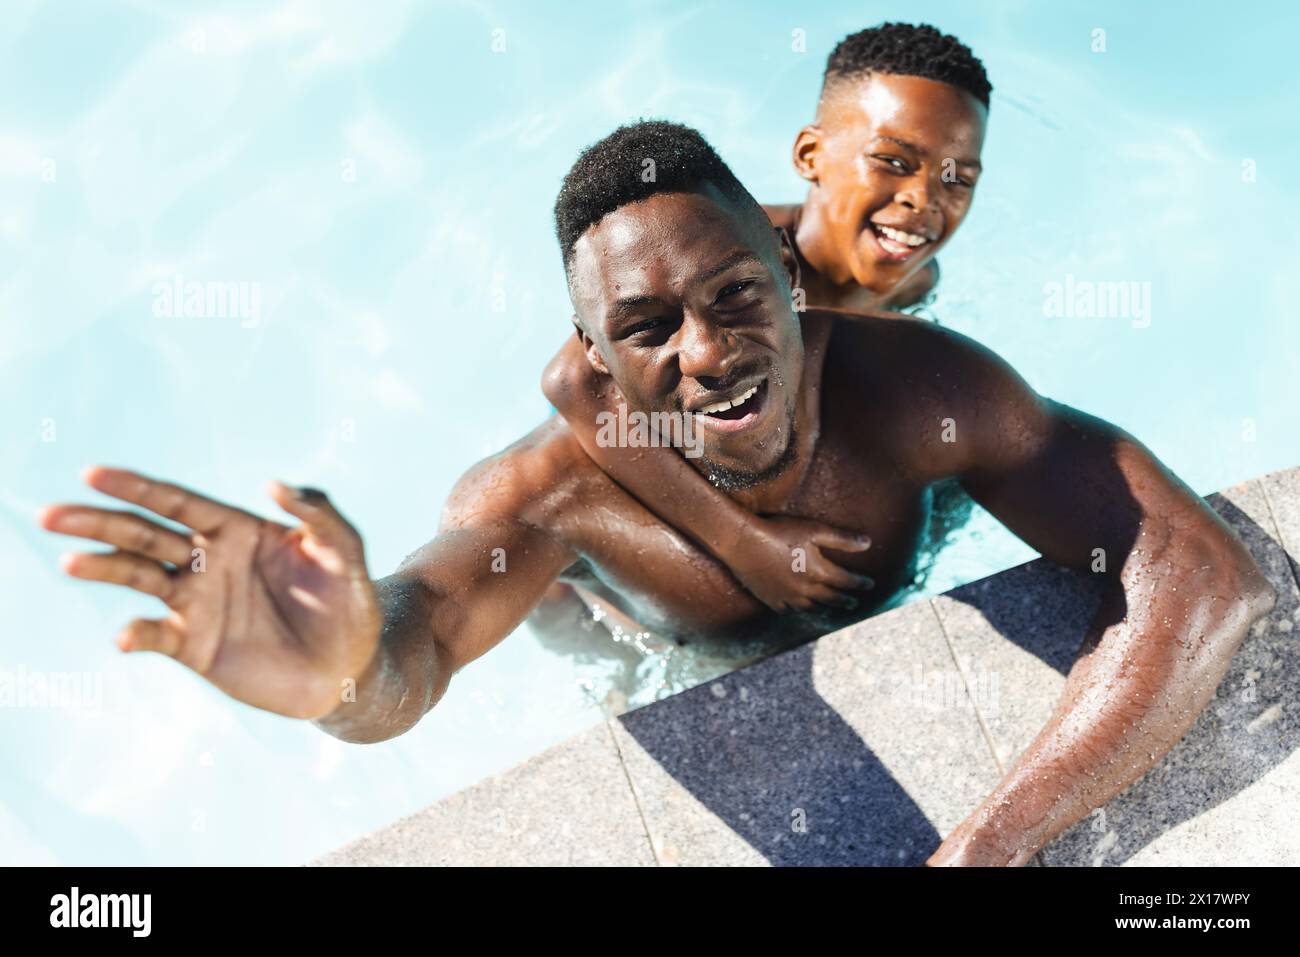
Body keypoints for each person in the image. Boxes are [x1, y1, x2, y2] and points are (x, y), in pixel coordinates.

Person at [38, 121, 1275, 866]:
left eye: (736, 295)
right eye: (645, 328)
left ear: (789, 276)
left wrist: (993, 842)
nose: (705, 351)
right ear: (593, 357)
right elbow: (413, 648)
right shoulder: (548, 495)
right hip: (661, 649)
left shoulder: (917, 395)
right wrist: (342, 674)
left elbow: (1195, 569)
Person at [544, 23, 989, 611]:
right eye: (892, 161)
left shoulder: (916, 284)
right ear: (811, 155)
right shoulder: (735, 260)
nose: (922, 198)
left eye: (958, 177)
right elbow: (571, 380)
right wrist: (742, 543)